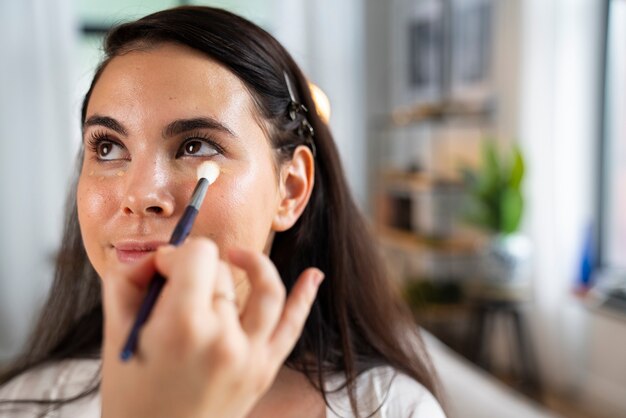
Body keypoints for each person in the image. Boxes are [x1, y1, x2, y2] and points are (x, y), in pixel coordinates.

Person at [0, 6, 446, 418]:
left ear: (289, 189)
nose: (139, 195)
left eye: (196, 146)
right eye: (109, 147)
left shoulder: (392, 409)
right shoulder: (21, 404)